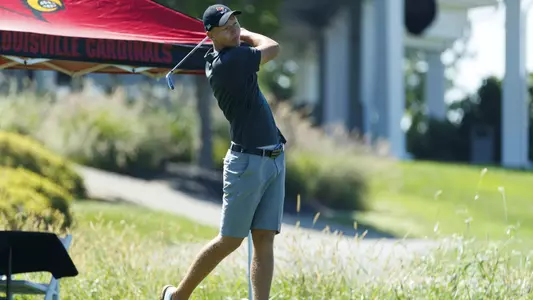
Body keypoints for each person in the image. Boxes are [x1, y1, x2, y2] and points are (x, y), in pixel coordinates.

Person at [160, 4, 287, 300]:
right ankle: (177, 296)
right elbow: (273, 47)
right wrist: (245, 34)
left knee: (265, 238)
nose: (234, 28)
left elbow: (242, 44)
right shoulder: (232, 61)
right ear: (211, 35)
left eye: (235, 22)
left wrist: (234, 33)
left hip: (272, 157)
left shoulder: (222, 53)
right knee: (230, 240)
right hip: (248, 163)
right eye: (226, 26)